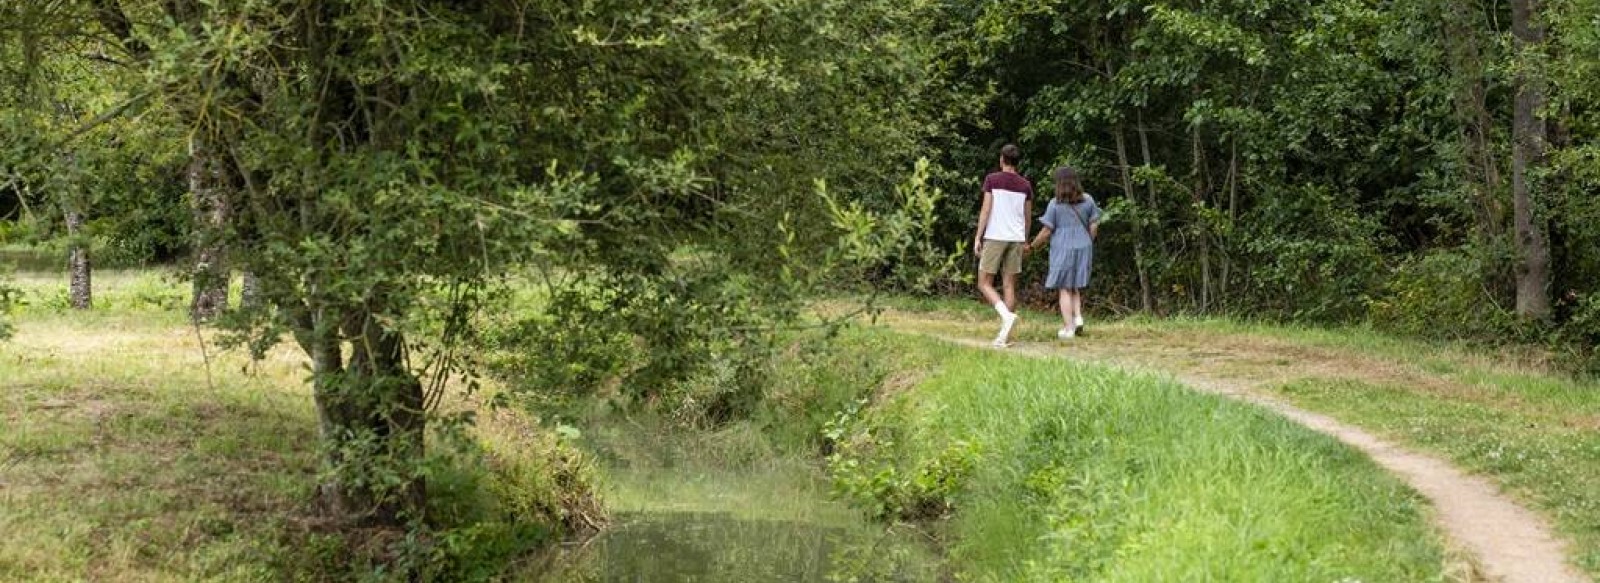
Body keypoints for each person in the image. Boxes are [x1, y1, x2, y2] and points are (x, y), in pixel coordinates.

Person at [1026, 166, 1100, 340]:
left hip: (1062, 247)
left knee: (1064, 288)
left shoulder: (1055, 204)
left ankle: (1068, 328)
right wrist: (1088, 240)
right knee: (1074, 285)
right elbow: (1094, 224)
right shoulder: (1088, 200)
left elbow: (1046, 231)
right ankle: (1078, 317)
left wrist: (1032, 246)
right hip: (1084, 245)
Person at [973, 144, 1033, 347]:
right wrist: (1025, 239)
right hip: (1016, 238)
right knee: (1009, 285)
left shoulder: (992, 179)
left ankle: (1006, 318)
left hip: (996, 235)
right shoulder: (1025, 185)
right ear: (1017, 162)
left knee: (984, 283)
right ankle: (1004, 335)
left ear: (1002, 159)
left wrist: (978, 237)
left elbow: (986, 210)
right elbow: (1027, 217)